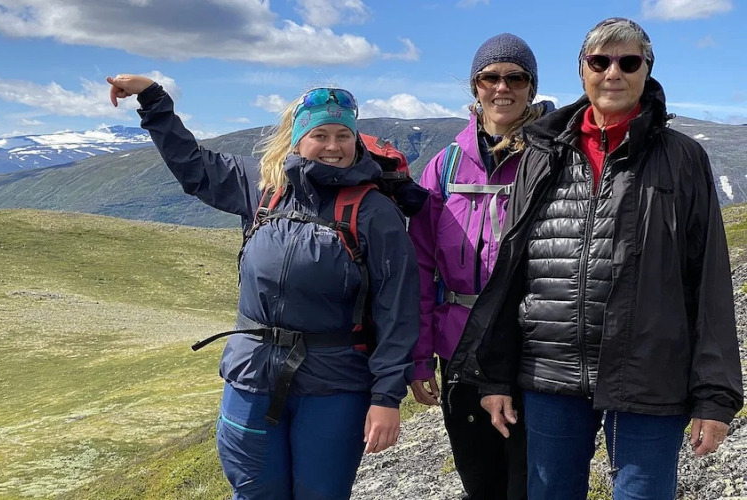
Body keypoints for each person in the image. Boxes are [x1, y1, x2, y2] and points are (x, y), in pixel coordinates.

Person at [448, 18, 744, 500]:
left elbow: (708, 277)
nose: (613, 73)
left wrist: (715, 396)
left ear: (647, 69)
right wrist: (494, 374)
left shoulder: (684, 157)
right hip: (550, 372)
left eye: (628, 62)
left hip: (650, 374)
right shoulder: (543, 153)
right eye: (600, 61)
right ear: (582, 70)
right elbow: (513, 270)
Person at [106, 75, 420, 499]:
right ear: (297, 139)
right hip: (251, 376)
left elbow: (397, 310)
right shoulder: (263, 188)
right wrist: (152, 98)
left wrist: (386, 397)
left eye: (343, 135)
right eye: (320, 134)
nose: (333, 145)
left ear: (355, 140)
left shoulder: (374, 212)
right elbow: (192, 165)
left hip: (335, 386)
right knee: (255, 491)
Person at [407, 33, 553, 500]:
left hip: (534, 348)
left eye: (516, 77)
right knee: (481, 481)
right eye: (490, 77)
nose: (502, 87)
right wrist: (419, 357)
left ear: (531, 87)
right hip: (459, 346)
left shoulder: (552, 159)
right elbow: (420, 267)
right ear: (476, 86)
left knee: (531, 483)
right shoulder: (445, 166)